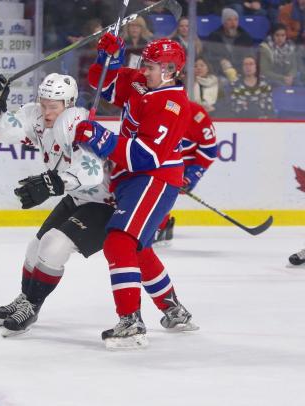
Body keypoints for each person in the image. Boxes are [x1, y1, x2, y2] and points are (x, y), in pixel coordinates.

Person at [74, 34, 198, 348]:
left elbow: (146, 157)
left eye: (154, 67)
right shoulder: (144, 83)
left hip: (154, 178)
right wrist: (108, 59)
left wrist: (101, 139)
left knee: (119, 242)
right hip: (131, 179)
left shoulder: (172, 105)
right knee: (138, 248)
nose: (145, 71)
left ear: (171, 70)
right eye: (145, 64)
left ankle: (130, 321)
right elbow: (103, 84)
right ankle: (173, 310)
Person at [0, 73, 114, 336]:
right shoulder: (38, 117)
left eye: (54, 106)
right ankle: (26, 296)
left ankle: (32, 305)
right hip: (77, 197)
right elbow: (2, 132)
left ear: (69, 103)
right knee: (35, 248)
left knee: (53, 246)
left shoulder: (78, 126)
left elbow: (93, 173)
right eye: (43, 103)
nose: (47, 111)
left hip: (103, 204)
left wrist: (54, 184)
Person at [154, 101, 218, 243]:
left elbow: (210, 150)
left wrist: (191, 177)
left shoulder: (198, 115)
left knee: (163, 191)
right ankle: (160, 225)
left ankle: (161, 226)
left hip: (182, 162)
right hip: (157, 155)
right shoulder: (153, 104)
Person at [204, 8, 255, 83]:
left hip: (241, 73)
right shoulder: (214, 37)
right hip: (219, 74)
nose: (233, 23)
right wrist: (220, 61)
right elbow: (207, 56)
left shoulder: (246, 38)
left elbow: (250, 57)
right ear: (224, 22)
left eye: (235, 20)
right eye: (229, 20)